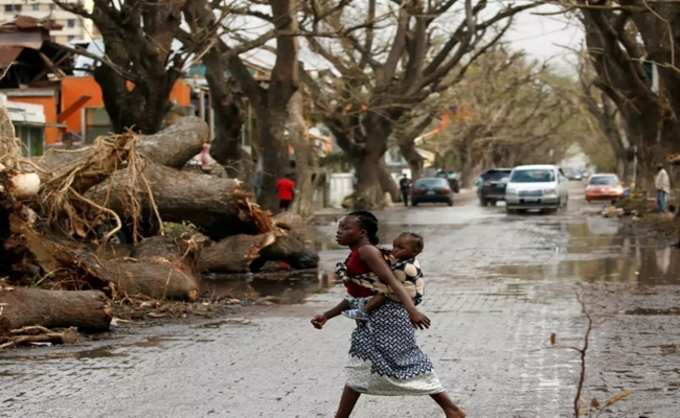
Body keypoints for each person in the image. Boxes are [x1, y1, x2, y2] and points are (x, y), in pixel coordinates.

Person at [311, 211, 465, 418]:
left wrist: (412, 311)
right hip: (371, 319)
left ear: (362, 232)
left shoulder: (367, 251)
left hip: (388, 317)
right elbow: (359, 293)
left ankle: (451, 408)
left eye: (346, 228)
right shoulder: (357, 252)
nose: (339, 232)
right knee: (360, 367)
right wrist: (327, 315)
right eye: (339, 228)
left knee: (406, 361)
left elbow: (392, 284)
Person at [339, 232, 425, 321]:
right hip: (411, 293)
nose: (395, 250)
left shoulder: (406, 267)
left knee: (383, 293)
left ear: (414, 252)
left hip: (410, 295)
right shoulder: (404, 259)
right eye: (394, 246)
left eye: (400, 248)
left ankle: (363, 311)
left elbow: (389, 281)